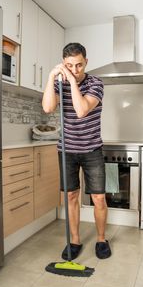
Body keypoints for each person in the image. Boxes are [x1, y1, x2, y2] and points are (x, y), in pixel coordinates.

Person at [42, 42, 111, 260]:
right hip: (67, 150)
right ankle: (75, 240)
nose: (75, 70)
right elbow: (48, 108)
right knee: (71, 196)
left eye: (79, 65)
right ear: (63, 63)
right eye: (69, 66)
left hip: (92, 149)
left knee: (98, 198)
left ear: (86, 62)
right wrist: (51, 78)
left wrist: (70, 80)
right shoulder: (58, 83)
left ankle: (101, 239)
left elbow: (81, 110)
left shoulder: (96, 84)